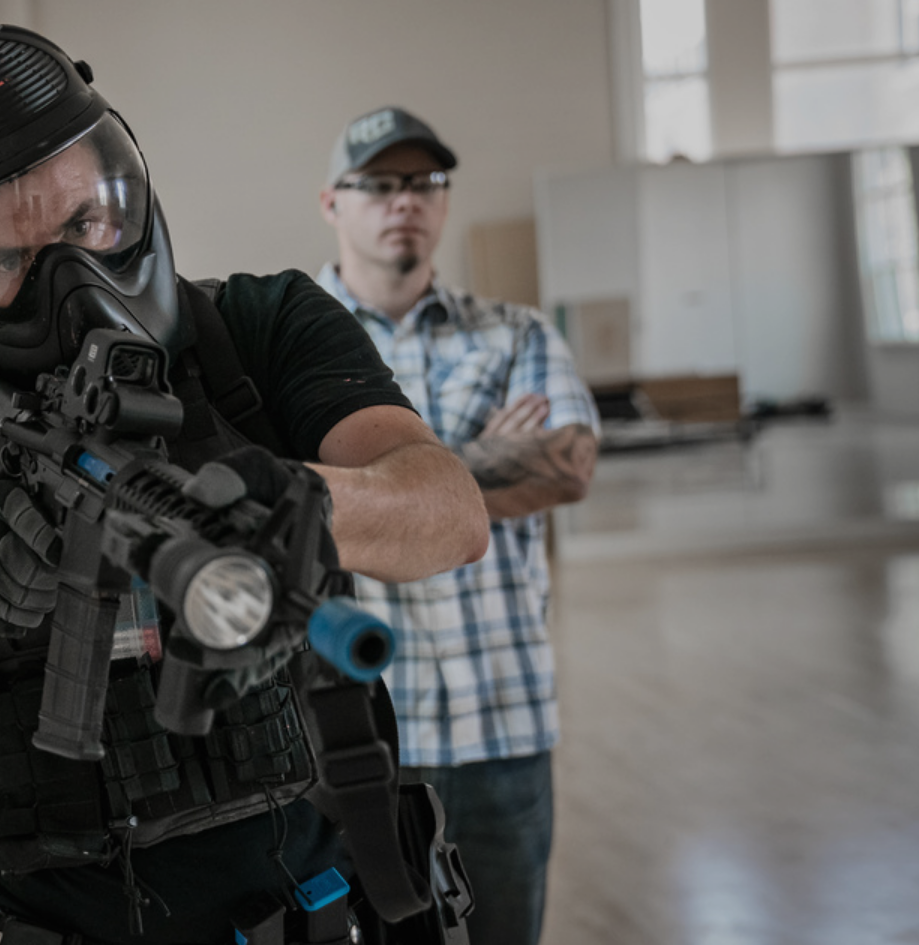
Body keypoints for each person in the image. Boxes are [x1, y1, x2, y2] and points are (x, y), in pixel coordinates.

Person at [0, 27, 490, 943]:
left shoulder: (263, 326)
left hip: (317, 919)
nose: (71, 278)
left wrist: (283, 498)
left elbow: (451, 513)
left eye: (84, 224)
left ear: (124, 190)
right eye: (8, 261)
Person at [313, 107, 602, 945]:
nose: (404, 199)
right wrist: (479, 463)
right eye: (379, 183)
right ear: (332, 202)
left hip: (501, 724)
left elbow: (567, 465)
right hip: (350, 728)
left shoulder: (517, 334)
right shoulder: (287, 348)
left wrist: (377, 489)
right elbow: (280, 499)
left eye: (424, 181)